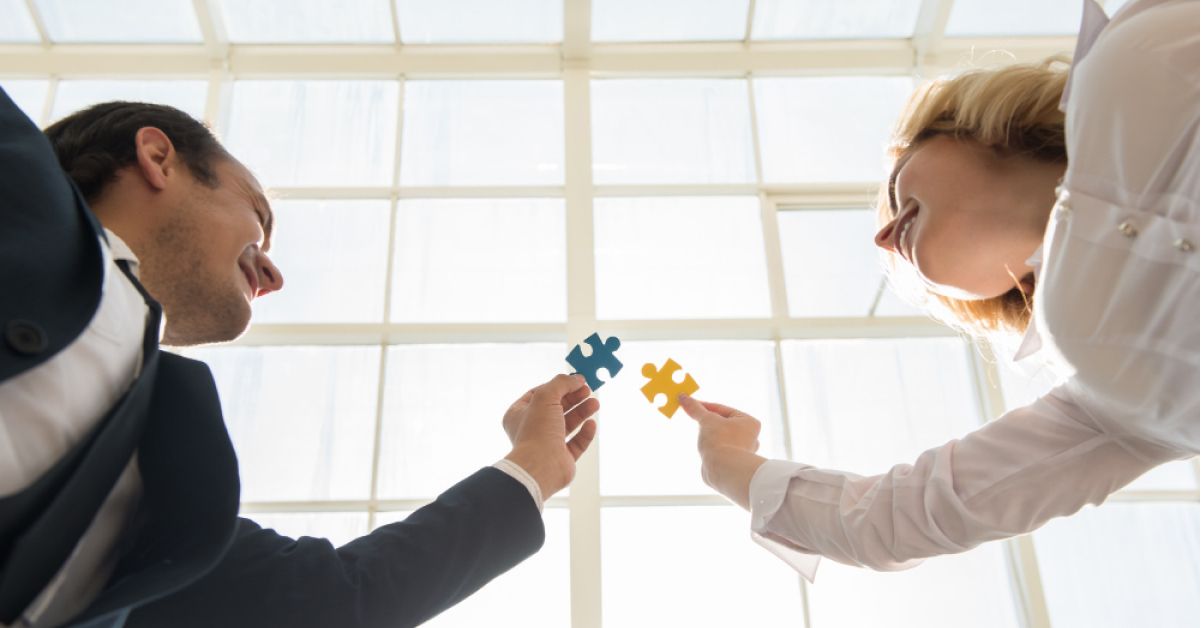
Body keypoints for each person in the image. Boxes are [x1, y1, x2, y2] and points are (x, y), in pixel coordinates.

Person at [0, 91, 599, 627]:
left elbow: (334, 602)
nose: (271, 274)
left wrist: (534, 465)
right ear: (158, 159)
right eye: (257, 223)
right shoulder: (19, 185)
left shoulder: (167, 487)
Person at [680, 0, 1198, 578]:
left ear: (965, 128)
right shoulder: (1101, 397)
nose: (883, 235)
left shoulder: (1137, 56)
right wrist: (728, 464)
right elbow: (897, 517)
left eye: (899, 187)